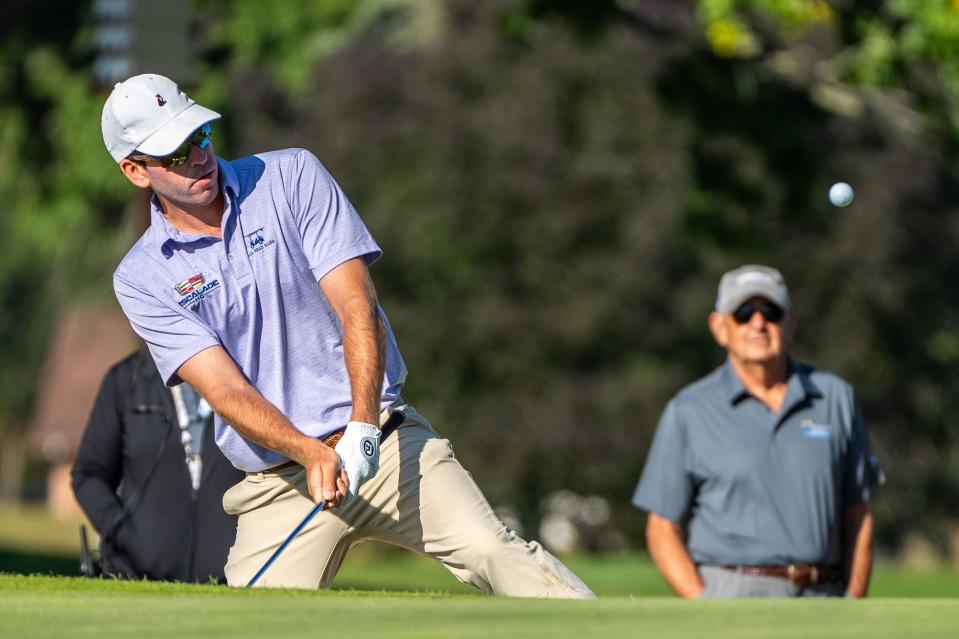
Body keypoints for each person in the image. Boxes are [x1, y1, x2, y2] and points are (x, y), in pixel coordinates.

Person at [100, 73, 593, 597]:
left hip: (383, 439)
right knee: (250, 621)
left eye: (200, 137)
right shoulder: (142, 276)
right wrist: (310, 452)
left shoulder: (290, 176)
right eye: (174, 155)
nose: (198, 157)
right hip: (280, 483)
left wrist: (361, 426)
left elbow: (357, 305)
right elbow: (223, 391)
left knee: (493, 551)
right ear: (135, 171)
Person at [632, 264, 883, 598]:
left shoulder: (835, 397)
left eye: (772, 312)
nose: (758, 324)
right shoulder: (688, 409)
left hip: (824, 596)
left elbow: (859, 514)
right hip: (731, 596)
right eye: (744, 313)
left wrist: (853, 602)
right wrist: (704, 605)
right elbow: (661, 529)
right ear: (720, 327)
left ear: (791, 323)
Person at [72, 346, 244, 582]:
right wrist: (123, 530)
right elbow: (89, 474)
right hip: (136, 578)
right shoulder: (126, 379)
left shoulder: (250, 377)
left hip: (233, 582)